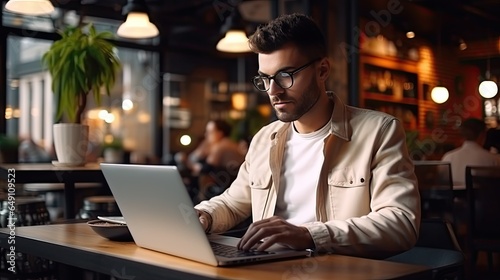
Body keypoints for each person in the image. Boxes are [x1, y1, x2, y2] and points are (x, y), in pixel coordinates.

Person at [195, 13, 420, 259]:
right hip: (265, 270)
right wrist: (203, 216)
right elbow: (232, 203)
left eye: (285, 75)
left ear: (322, 70)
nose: (274, 91)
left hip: (337, 273)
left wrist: (309, 235)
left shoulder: (379, 131)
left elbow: (400, 223)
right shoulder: (264, 138)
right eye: (266, 79)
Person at [192, 120, 246, 202]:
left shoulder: (222, 146)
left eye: (210, 132)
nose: (206, 135)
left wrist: (194, 166)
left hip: (227, 187)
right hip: (231, 184)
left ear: (220, 133)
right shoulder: (229, 143)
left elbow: (206, 168)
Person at [442, 118, 500, 188]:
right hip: (483, 198)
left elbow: (442, 183)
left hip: (453, 198)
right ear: (482, 135)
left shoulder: (448, 157)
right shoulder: (494, 160)